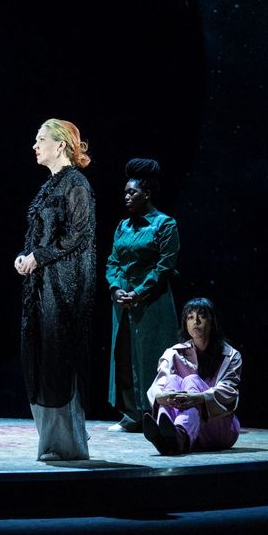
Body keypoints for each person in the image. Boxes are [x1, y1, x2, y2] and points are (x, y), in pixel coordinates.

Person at [14, 119, 95, 462]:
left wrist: (39, 256)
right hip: (41, 286)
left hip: (64, 287)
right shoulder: (49, 185)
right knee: (40, 358)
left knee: (59, 359)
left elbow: (77, 235)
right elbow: (39, 235)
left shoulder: (76, 183)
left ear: (60, 145)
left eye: (41, 139)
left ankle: (67, 445)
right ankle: (53, 442)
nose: (35, 145)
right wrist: (25, 256)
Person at [105, 158, 180, 433]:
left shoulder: (164, 224)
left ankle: (156, 414)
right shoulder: (122, 226)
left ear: (146, 193)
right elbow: (113, 261)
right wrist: (115, 288)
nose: (126, 196)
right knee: (124, 357)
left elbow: (165, 265)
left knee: (151, 356)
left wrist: (138, 292)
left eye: (132, 192)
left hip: (152, 302)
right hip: (123, 302)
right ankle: (131, 416)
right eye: (125, 192)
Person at [143, 297, 242, 455]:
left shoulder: (231, 356)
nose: (195, 321)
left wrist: (199, 398)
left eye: (202, 316)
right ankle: (168, 435)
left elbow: (228, 392)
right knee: (171, 381)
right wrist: (163, 397)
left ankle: (178, 436)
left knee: (191, 380)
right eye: (190, 317)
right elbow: (160, 383)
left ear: (212, 321)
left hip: (219, 427)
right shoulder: (173, 353)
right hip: (187, 427)